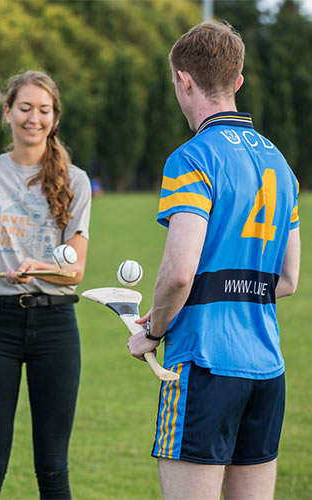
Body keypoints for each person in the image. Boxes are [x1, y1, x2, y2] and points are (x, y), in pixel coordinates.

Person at [127, 21, 300, 500]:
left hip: (204, 365)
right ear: (237, 81)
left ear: (184, 80)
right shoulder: (279, 163)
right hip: (266, 368)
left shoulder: (192, 157)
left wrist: (152, 332)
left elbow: (180, 274)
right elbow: (287, 279)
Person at [0, 70, 91, 499]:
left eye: (44, 110)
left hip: (56, 326)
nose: (34, 118)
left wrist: (40, 269)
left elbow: (76, 271)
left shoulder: (76, 180)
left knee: (52, 466)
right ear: (7, 112)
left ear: (55, 118)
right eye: (25, 108)